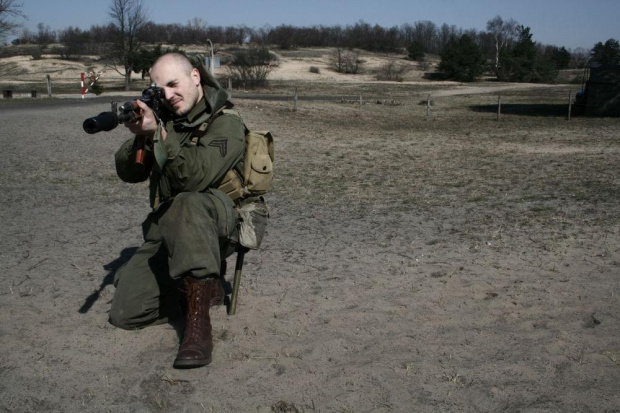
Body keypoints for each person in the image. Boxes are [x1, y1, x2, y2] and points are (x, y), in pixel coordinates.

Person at [108, 52, 247, 369]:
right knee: (125, 313)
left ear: (196, 77)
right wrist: (141, 136)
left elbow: (194, 178)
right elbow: (129, 173)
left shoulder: (226, 123)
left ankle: (199, 326)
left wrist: (159, 134)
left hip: (216, 227)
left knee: (186, 200)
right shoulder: (167, 121)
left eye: (174, 84)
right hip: (169, 228)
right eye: (160, 90)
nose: (169, 95)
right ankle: (197, 285)